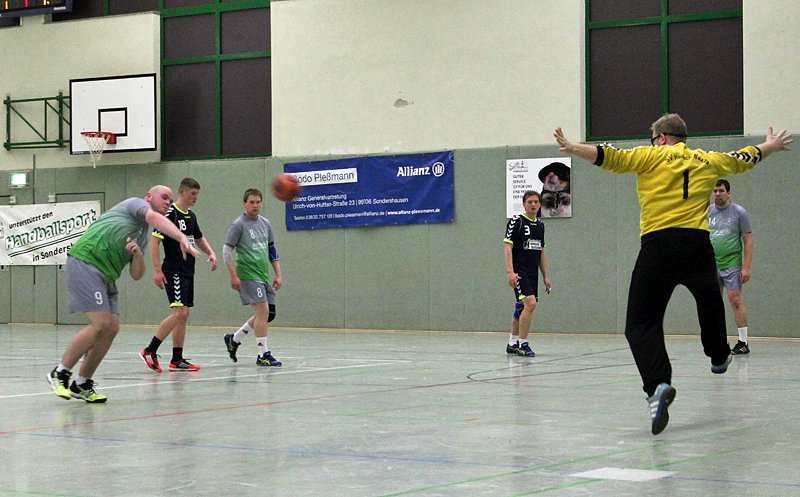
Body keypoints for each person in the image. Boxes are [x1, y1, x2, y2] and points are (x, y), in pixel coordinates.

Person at [554, 115, 792, 435]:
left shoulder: (650, 156)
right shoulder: (707, 159)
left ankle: (658, 386)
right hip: (697, 245)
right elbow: (744, 157)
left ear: (662, 138)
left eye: (654, 138)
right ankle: (719, 354)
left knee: (641, 323)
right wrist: (772, 146)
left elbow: (607, 155)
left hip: (658, 246)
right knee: (710, 299)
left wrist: (571, 147)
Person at [46, 186, 200, 402]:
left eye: (171, 199)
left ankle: (81, 383)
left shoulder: (142, 234)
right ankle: (60, 372)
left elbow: (137, 274)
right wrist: (181, 237)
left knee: (112, 327)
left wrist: (137, 255)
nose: (168, 202)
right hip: (86, 262)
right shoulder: (136, 204)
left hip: (107, 275)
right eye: (164, 197)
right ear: (149, 197)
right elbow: (154, 217)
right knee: (100, 323)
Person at [139, 177, 218, 373]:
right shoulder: (169, 214)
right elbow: (154, 242)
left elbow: (199, 238)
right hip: (173, 270)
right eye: (193, 194)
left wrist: (211, 252)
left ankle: (177, 359)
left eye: (197, 195)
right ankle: (150, 350)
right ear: (182, 192)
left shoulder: (190, 215)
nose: (195, 198)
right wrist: (157, 270)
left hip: (188, 271)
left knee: (184, 315)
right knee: (179, 313)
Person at [222, 188, 283, 367]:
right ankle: (263, 355)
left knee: (267, 315)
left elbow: (271, 249)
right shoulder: (238, 225)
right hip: (247, 274)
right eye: (251, 202)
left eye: (258, 202)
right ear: (244, 204)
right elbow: (226, 251)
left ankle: (234, 339)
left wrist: (278, 273)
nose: (255, 205)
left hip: (263, 273)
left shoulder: (265, 223)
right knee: (262, 311)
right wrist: (233, 276)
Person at [504, 190, 552, 357]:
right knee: (530, 304)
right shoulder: (517, 221)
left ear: (540, 204)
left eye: (536, 202)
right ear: (524, 204)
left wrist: (545, 275)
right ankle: (523, 344)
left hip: (533, 273)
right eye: (529, 202)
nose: (533, 205)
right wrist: (510, 272)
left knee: (521, 306)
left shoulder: (540, 225)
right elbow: (507, 246)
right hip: (519, 271)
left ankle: (512, 343)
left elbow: (541, 251)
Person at [709, 179, 753, 355]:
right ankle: (719, 341)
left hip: (732, 263)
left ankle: (743, 342)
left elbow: (748, 240)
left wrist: (746, 267)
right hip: (712, 264)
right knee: (713, 303)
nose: (717, 194)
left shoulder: (739, 213)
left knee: (735, 299)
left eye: (720, 191)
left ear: (728, 193)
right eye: (715, 191)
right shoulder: (707, 213)